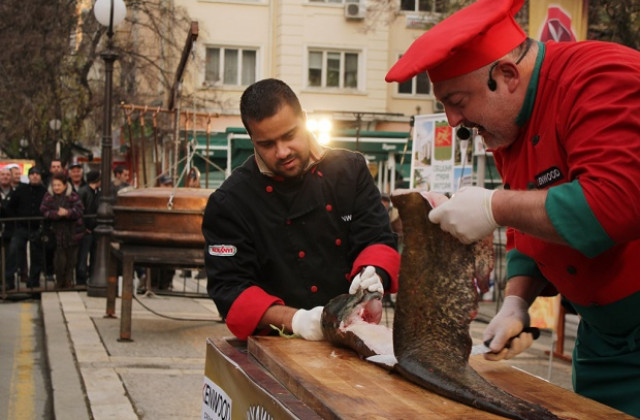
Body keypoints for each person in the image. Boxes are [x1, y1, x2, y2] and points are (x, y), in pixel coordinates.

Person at [385, 0, 640, 416]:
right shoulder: (509, 122)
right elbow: (534, 222)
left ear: (505, 76)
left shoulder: (601, 77)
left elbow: (617, 203)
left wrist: (495, 206)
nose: (452, 121)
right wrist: (516, 302)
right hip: (604, 339)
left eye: (457, 100)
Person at [202, 78, 400, 341]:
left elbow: (377, 239)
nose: (282, 151)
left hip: (352, 333)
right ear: (252, 139)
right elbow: (229, 289)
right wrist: (297, 320)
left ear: (304, 120)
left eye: (289, 135)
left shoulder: (350, 171)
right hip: (274, 342)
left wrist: (373, 275)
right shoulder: (230, 201)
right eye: (267, 144)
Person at [40, 173, 85, 288]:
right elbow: (44, 211)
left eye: (59, 185)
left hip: (73, 232)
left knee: (72, 259)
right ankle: (59, 281)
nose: (56, 187)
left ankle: (68, 281)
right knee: (59, 260)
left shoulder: (73, 196)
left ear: (65, 185)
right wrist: (56, 214)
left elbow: (79, 210)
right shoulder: (48, 196)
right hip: (56, 233)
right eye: (54, 185)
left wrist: (68, 212)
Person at [7, 167, 47, 288]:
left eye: (37, 174)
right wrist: (16, 221)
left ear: (40, 176)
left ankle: (34, 281)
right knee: (14, 251)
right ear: (28, 176)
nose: (35, 176)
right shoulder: (21, 190)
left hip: (37, 228)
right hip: (21, 227)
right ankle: (9, 281)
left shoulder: (44, 191)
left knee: (36, 255)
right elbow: (10, 207)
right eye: (32, 174)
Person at [76, 170, 101, 286]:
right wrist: (84, 227)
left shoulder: (96, 192)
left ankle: (91, 277)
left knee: (94, 255)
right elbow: (81, 210)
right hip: (86, 229)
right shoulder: (84, 192)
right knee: (83, 255)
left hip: (94, 228)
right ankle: (81, 279)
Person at [1, 167, 16, 289]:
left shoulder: (15, 192)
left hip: (10, 231)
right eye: (2, 174)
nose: (5, 177)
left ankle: (8, 282)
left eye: (7, 174)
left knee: (10, 257)